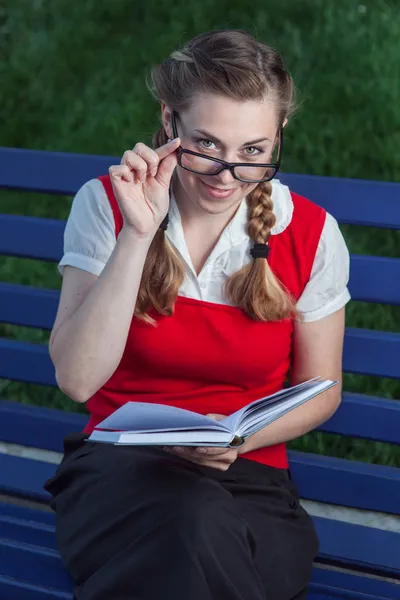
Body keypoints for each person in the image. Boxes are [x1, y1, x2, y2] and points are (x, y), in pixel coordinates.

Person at [44, 29, 350, 600]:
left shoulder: (309, 233)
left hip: (249, 476)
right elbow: (78, 379)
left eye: (253, 152)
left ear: (278, 135)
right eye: (206, 146)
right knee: (190, 528)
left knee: (202, 540)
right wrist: (138, 235)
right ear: (169, 119)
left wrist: (236, 445)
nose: (226, 176)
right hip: (119, 470)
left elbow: (321, 388)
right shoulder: (107, 206)